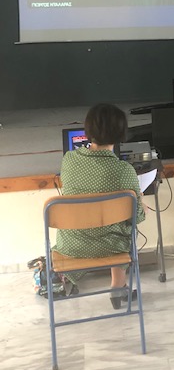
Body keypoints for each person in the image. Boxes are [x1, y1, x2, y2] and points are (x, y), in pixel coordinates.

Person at [54, 103, 146, 309]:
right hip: (112, 247)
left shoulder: (69, 160)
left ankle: (117, 287)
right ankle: (117, 287)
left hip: (71, 245)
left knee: (107, 225)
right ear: (121, 134)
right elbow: (137, 216)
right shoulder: (124, 170)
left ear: (87, 130)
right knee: (124, 229)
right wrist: (141, 204)